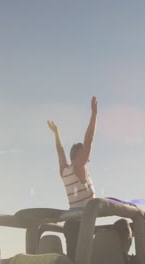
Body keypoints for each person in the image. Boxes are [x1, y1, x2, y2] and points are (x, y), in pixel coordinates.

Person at [47, 96, 98, 260]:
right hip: (81, 226)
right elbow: (89, 140)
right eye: (84, 153)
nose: (88, 155)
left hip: (71, 225)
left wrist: (56, 133)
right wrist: (94, 114)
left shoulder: (64, 171)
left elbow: (60, 151)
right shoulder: (78, 168)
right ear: (77, 157)